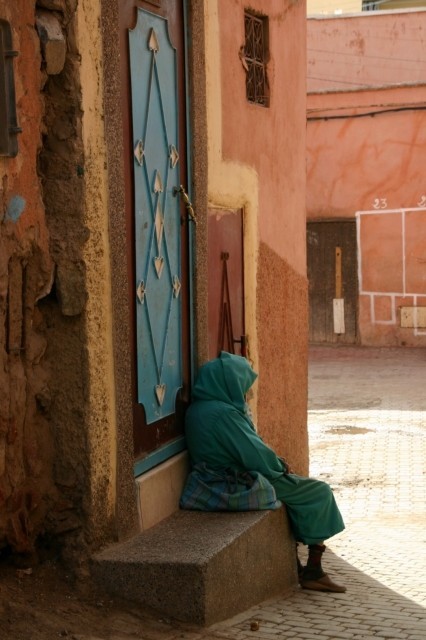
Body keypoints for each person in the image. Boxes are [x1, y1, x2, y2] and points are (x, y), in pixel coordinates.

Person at [182, 351, 346, 593]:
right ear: (229, 383)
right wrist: (279, 466)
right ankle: (314, 570)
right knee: (318, 493)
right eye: (243, 385)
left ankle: (301, 565)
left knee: (296, 493)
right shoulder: (222, 414)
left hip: (217, 477)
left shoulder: (202, 408)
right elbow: (254, 454)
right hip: (231, 482)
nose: (246, 393)